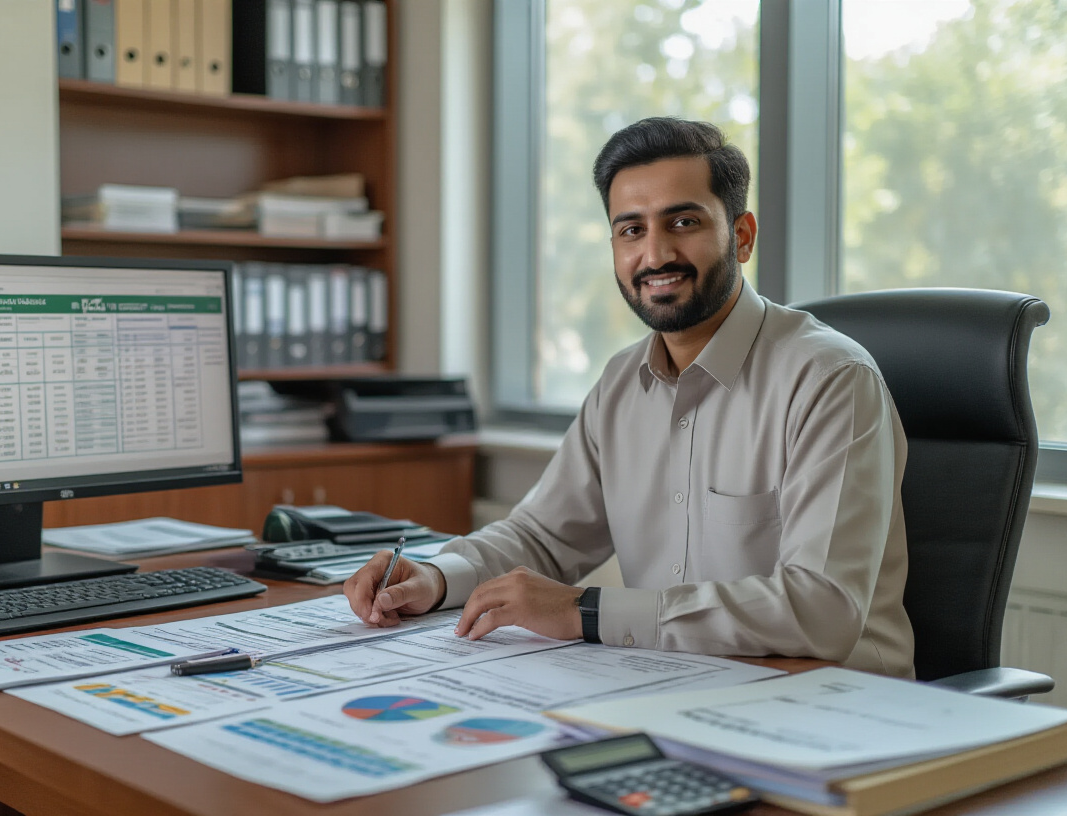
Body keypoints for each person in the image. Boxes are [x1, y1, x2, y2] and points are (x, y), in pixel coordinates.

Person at [344, 117, 915, 677]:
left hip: (832, 708)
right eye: (631, 230)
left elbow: (823, 609)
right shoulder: (621, 383)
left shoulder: (829, 378)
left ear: (741, 237)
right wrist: (437, 576)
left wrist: (584, 611)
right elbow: (543, 536)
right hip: (668, 687)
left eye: (683, 222)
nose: (655, 254)